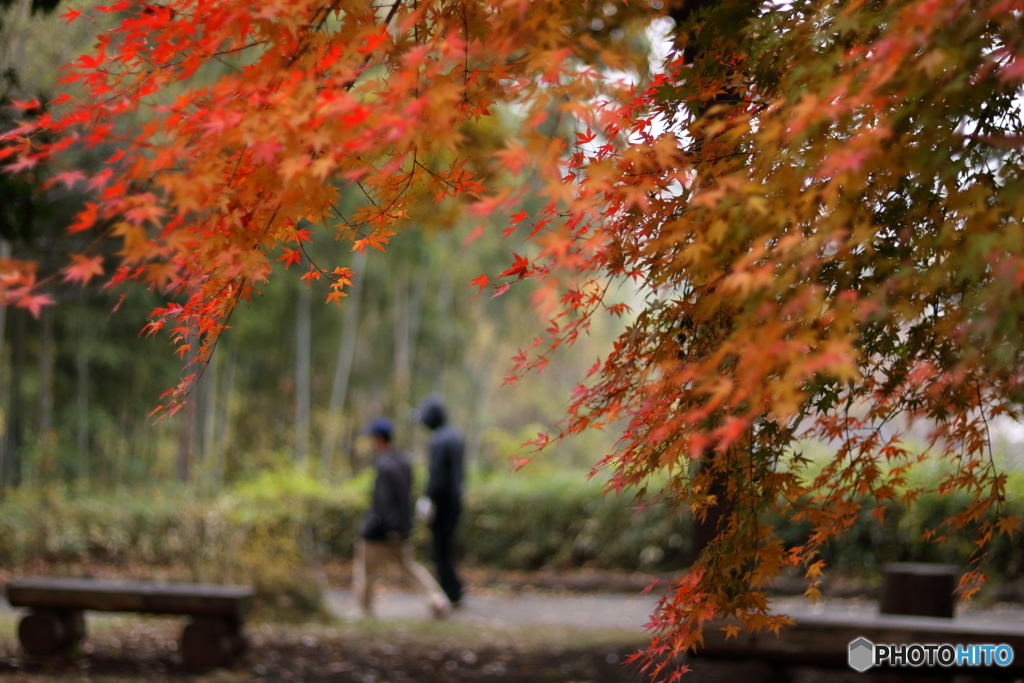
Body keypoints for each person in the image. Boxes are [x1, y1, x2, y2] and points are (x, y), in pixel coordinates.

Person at [353, 417, 450, 619]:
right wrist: (402, 526)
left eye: (373, 438)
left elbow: (382, 501)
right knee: (410, 567)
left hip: (379, 530)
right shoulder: (404, 461)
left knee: (366, 571)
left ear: (379, 439)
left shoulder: (384, 464)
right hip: (401, 528)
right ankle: (437, 600)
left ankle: (364, 610)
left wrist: (375, 524)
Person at [417, 395, 464, 606]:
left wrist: (428, 497)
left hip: (443, 502)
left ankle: (450, 592)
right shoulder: (455, 436)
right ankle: (453, 589)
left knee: (440, 549)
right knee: (448, 547)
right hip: (455, 500)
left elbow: (437, 475)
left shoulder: (439, 440)